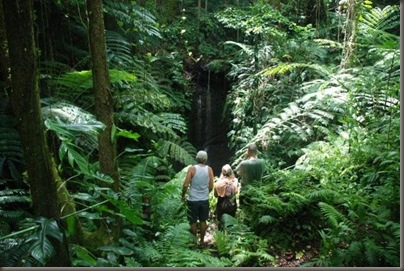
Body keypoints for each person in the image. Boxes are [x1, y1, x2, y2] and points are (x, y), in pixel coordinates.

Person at [181, 150, 214, 247]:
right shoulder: (209, 169)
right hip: (204, 200)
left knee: (193, 221)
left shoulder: (192, 169)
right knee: (203, 220)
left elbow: (186, 184)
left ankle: (194, 241)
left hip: (193, 200)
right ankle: (202, 241)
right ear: (206, 159)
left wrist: (183, 195)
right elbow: (211, 185)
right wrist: (206, 193)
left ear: (197, 158)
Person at [214, 164, 238, 229]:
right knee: (231, 223)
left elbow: (215, 195)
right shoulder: (235, 181)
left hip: (221, 204)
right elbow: (236, 192)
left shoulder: (218, 183)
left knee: (221, 222)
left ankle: (221, 237)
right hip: (231, 204)